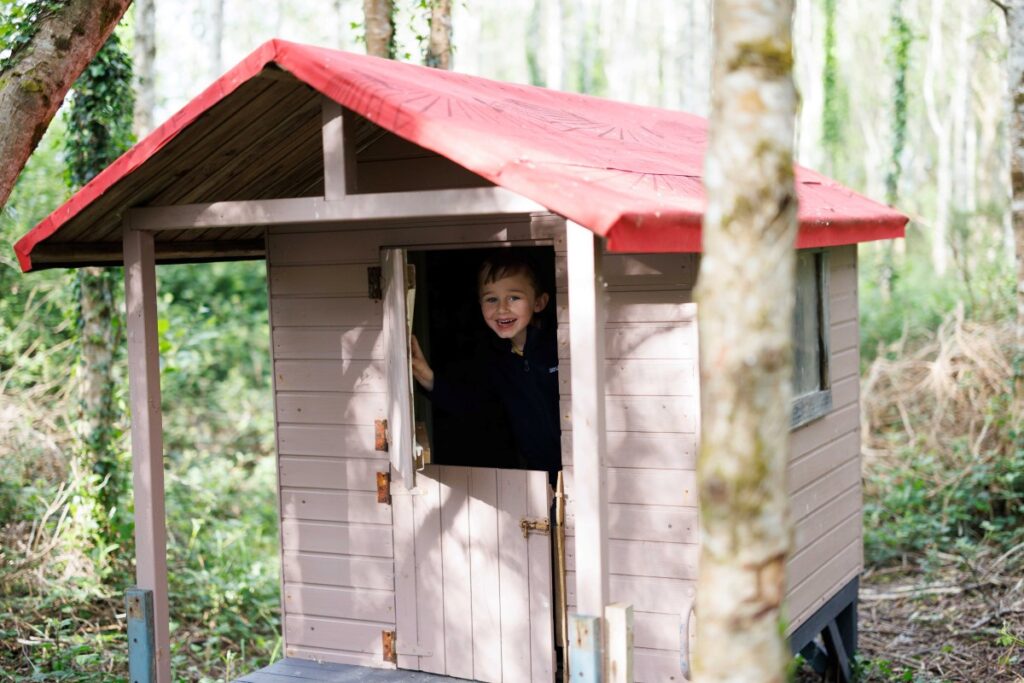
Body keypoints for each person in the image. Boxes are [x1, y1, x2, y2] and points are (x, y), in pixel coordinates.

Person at [410, 252, 562, 482]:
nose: (501, 309)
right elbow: (472, 404)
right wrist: (428, 378)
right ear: (480, 303)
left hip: (584, 465)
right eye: (491, 299)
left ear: (539, 302)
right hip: (541, 475)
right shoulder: (496, 360)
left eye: (513, 297)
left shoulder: (559, 346)